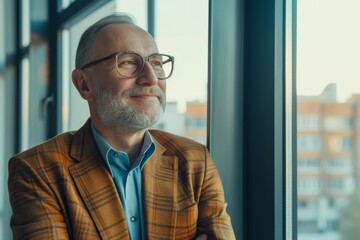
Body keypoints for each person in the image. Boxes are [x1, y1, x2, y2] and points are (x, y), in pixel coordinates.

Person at [8, 13, 235, 240]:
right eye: (128, 62)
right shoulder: (36, 169)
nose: (151, 78)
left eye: (156, 63)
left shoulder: (196, 161)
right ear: (84, 84)